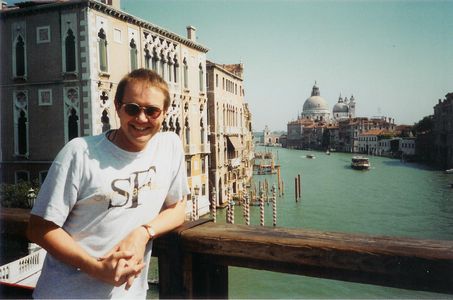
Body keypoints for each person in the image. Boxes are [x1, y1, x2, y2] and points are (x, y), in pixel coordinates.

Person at [27, 68, 190, 298]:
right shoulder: (80, 153)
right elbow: (39, 228)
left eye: (152, 111)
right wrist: (96, 268)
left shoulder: (170, 147)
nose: (141, 119)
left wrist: (143, 233)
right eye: (132, 109)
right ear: (117, 108)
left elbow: (178, 209)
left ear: (164, 113)